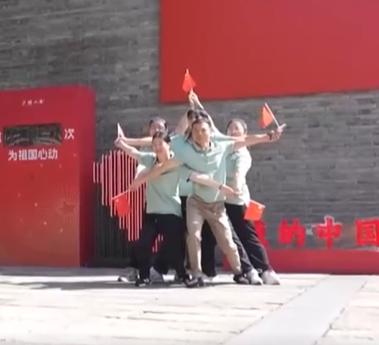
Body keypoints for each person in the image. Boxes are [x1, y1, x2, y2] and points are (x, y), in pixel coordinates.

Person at [127, 115, 283, 287]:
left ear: (211, 132)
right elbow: (162, 162)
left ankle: (243, 271)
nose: (200, 133)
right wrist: (139, 180)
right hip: (195, 201)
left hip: (221, 202)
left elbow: (244, 143)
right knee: (191, 236)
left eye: (203, 130)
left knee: (228, 239)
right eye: (195, 130)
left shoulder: (223, 145)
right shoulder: (184, 149)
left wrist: (267, 136)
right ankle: (194, 273)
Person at [114, 133, 189, 286]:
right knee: (143, 244)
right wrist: (122, 144)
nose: (157, 147)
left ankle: (182, 276)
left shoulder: (176, 161)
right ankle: (144, 276)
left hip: (171, 211)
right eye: (154, 145)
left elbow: (193, 176)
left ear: (169, 145)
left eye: (160, 144)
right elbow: (134, 153)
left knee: (173, 246)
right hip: (152, 212)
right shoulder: (150, 159)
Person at [224, 118, 281, 286]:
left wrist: (236, 186)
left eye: (237, 128)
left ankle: (265, 270)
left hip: (238, 200)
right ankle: (246, 270)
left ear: (245, 133)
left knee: (247, 236)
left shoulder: (242, 154)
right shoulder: (225, 148)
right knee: (229, 237)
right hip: (222, 199)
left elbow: (239, 173)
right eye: (230, 128)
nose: (233, 131)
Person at [117, 117, 168, 283]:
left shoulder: (171, 145)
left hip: (172, 203)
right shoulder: (148, 148)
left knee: (174, 239)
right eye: (153, 127)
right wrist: (137, 179)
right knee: (144, 239)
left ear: (166, 131)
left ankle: (167, 271)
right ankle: (136, 270)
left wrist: (126, 141)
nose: (156, 130)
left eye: (160, 127)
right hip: (152, 202)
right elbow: (141, 163)